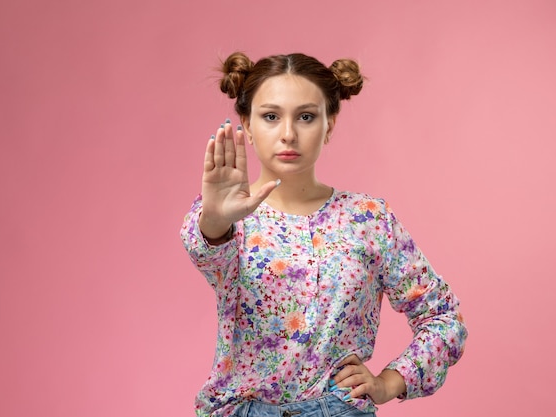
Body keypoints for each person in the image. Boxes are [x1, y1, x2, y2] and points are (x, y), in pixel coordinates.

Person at [180, 51, 467, 417]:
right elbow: (204, 248)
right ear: (247, 125)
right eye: (270, 116)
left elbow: (442, 318)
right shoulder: (228, 219)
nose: (288, 133)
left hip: (338, 409)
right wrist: (216, 220)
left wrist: (390, 381)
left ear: (329, 123)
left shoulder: (368, 218)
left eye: (306, 116)